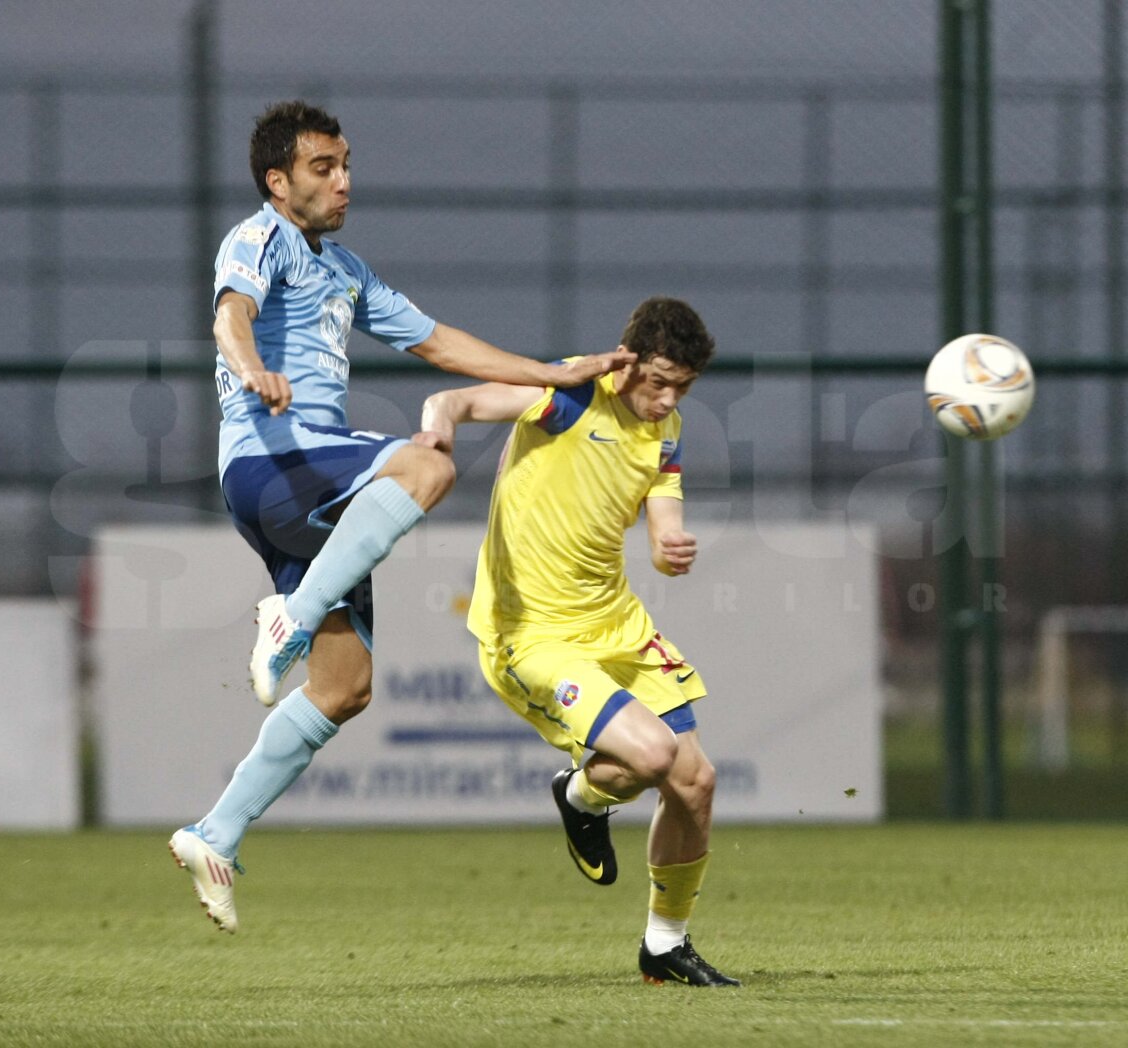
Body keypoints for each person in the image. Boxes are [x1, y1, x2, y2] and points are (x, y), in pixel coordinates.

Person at [167, 100, 633, 933]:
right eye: (322, 167)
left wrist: (553, 374)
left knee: (344, 690)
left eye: (346, 164)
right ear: (278, 181)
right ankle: (292, 619)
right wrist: (249, 370)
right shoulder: (257, 236)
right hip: (274, 461)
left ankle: (216, 834)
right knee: (425, 462)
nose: (343, 181)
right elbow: (229, 315)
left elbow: (439, 344)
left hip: (304, 491)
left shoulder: (344, 268)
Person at [418, 297, 739, 987]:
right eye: (656, 380)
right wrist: (437, 427)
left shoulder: (666, 427)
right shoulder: (569, 393)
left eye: (682, 386)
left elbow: (660, 528)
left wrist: (670, 545)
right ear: (625, 360)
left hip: (615, 625)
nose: (667, 398)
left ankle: (663, 943)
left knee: (695, 781)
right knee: (653, 754)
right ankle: (585, 800)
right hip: (531, 632)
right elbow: (459, 400)